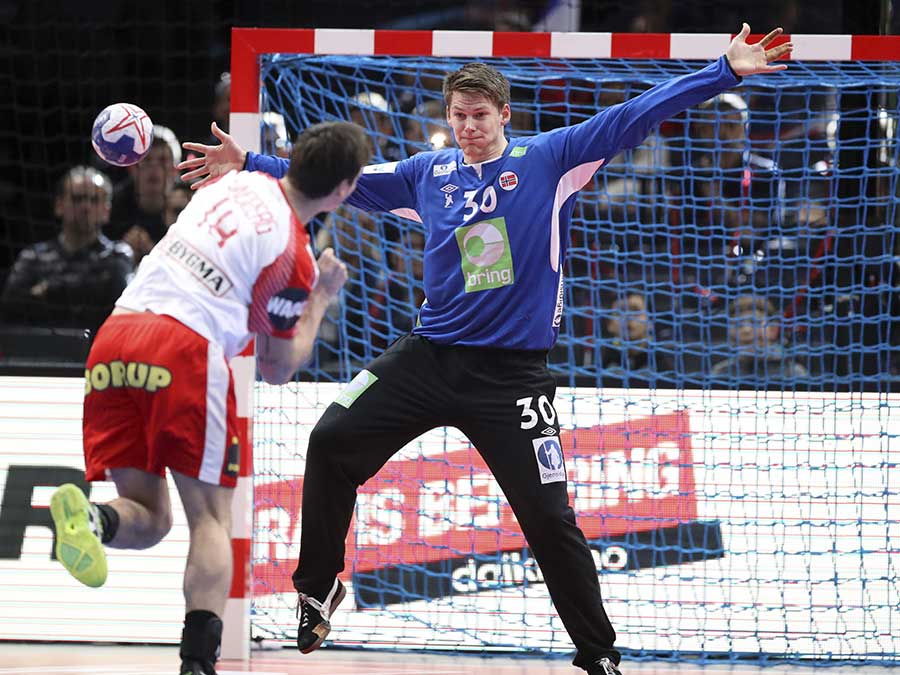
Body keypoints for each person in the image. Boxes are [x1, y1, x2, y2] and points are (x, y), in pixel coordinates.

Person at [177, 25, 792, 675]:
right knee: (330, 438)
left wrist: (724, 71)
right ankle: (319, 587)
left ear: (504, 114)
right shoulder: (428, 173)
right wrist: (252, 163)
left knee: (549, 519)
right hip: (428, 356)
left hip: (511, 378)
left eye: (479, 116)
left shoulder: (550, 158)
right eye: (458, 116)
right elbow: (345, 179)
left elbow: (632, 115)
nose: (468, 127)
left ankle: (599, 655)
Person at [49, 121, 370, 675]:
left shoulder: (233, 183)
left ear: (294, 157)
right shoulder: (294, 257)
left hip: (115, 339)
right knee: (212, 523)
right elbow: (276, 367)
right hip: (184, 348)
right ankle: (197, 666)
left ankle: (94, 521)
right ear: (343, 190)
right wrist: (320, 296)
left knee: (152, 518)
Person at [1, 165, 133, 335]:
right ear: (59, 205)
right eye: (78, 199)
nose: (86, 207)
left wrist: (47, 289)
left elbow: (119, 301)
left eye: (94, 200)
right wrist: (88, 288)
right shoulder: (33, 257)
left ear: (106, 210)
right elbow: (11, 306)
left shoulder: (118, 255)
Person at [108, 125, 182, 262]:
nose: (154, 167)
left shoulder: (189, 204)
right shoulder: (112, 203)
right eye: (147, 160)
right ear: (132, 168)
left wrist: (153, 252)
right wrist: (123, 251)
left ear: (175, 170)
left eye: (162, 160)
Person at [710, 294, 809, 383]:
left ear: (773, 328)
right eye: (738, 324)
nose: (746, 330)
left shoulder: (793, 372)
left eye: (755, 322)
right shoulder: (722, 372)